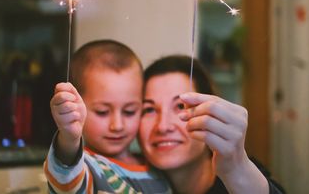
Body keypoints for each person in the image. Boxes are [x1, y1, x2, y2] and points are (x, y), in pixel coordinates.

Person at [139, 55, 285, 194]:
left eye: (180, 106)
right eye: (149, 109)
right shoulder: (126, 179)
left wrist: (236, 169)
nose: (163, 127)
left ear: (211, 113)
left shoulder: (240, 173)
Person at [44, 40, 171, 193]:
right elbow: (65, 170)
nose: (117, 125)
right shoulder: (87, 166)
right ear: (78, 106)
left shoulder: (158, 167)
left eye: (129, 111)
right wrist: (69, 137)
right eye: (102, 112)